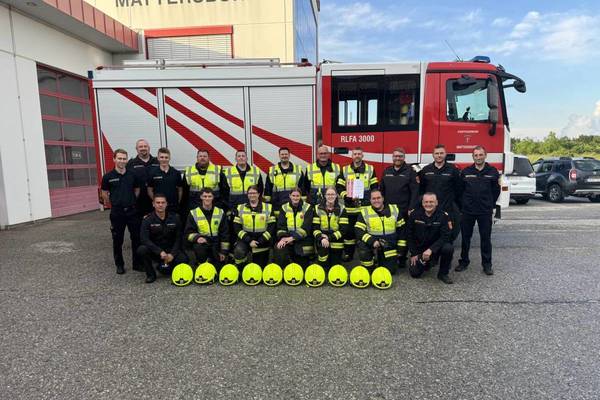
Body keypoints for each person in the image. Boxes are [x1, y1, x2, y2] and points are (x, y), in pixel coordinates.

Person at [456, 146, 501, 275]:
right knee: (465, 238)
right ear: (473, 157)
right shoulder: (466, 171)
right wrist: (463, 205)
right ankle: (464, 262)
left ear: (485, 155)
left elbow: (496, 190)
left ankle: (487, 265)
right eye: (476, 155)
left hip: (484, 211)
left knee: (485, 238)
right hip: (468, 211)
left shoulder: (492, 171)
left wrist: (489, 203)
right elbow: (460, 190)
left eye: (481, 155)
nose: (478, 157)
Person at [101, 149, 142, 274]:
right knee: (117, 240)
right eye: (119, 158)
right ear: (114, 159)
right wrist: (114, 203)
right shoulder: (108, 177)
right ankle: (119, 265)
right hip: (117, 213)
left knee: (136, 238)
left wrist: (131, 200)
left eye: (124, 159)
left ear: (127, 160)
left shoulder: (132, 175)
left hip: (132, 211)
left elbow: (137, 190)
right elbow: (104, 193)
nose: (122, 161)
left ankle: (137, 264)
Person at [337, 147, 378, 261]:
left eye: (359, 154)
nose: (357, 156)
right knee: (349, 233)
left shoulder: (370, 169)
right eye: (355, 154)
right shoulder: (345, 169)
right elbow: (339, 186)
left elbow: (374, 186)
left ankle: (369, 254)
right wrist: (346, 196)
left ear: (362, 155)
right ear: (352, 156)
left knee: (367, 232)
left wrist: (371, 200)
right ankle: (349, 254)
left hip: (365, 209)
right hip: (350, 208)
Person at [379, 147, 419, 267]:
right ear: (392, 157)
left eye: (400, 156)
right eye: (396, 156)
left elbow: (415, 191)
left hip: (404, 210)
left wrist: (411, 208)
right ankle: (391, 256)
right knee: (391, 233)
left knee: (403, 235)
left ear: (404, 157)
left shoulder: (410, 171)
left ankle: (402, 258)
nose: (398, 158)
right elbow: (382, 190)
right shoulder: (387, 171)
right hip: (389, 210)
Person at [355, 189, 406, 274]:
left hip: (389, 243)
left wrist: (401, 248)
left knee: (390, 271)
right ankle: (370, 266)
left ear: (383, 198)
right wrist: (371, 241)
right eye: (373, 198)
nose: (376, 200)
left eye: (378, 198)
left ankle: (380, 260)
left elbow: (402, 230)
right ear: (370, 200)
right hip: (373, 242)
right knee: (362, 245)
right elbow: (358, 230)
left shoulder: (394, 209)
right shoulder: (365, 211)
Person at [137, 194, 186, 283]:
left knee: (183, 259)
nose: (160, 205)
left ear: (166, 204)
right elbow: (144, 239)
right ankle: (151, 275)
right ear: (153, 204)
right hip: (156, 251)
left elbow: (179, 238)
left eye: (163, 202)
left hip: (170, 249)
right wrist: (159, 251)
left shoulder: (175, 218)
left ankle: (167, 267)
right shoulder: (147, 219)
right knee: (142, 250)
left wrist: (172, 254)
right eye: (158, 202)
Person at [407, 193, 454, 284]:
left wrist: (431, 249)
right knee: (415, 273)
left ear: (436, 203)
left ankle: (443, 274)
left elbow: (445, 236)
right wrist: (414, 253)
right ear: (422, 203)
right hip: (420, 249)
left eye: (431, 202)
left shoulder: (443, 216)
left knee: (448, 248)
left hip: (435, 249)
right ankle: (427, 263)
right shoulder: (414, 215)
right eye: (426, 202)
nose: (428, 204)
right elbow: (409, 235)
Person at [418, 144, 462, 241]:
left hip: (447, 208)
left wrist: (456, 206)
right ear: (433, 155)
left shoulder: (453, 169)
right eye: (437, 153)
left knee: (448, 237)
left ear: (445, 154)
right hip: (430, 209)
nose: (439, 155)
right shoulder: (426, 170)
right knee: (430, 236)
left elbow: (459, 189)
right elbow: (421, 189)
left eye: (441, 153)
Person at [184, 188, 230, 269]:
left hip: (216, 244)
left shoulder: (220, 212)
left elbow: (225, 233)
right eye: (205, 196)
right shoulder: (193, 213)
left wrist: (223, 252)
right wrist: (197, 238)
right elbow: (188, 233)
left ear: (213, 197)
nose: (207, 198)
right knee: (199, 248)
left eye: (209, 196)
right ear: (201, 197)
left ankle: (214, 260)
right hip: (203, 243)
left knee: (218, 268)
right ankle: (201, 264)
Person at [232, 185, 276, 267]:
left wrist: (261, 240)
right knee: (239, 251)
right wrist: (249, 240)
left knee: (259, 266)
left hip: (262, 241)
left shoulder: (268, 207)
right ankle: (241, 268)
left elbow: (271, 227)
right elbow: (236, 227)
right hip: (245, 240)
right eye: (250, 193)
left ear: (259, 194)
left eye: (254, 193)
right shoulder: (240, 208)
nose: (252, 195)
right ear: (247, 195)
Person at [273, 187, 314, 267]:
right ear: (290, 196)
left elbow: (306, 228)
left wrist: (292, 238)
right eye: (293, 195)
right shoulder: (284, 207)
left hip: (303, 240)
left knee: (302, 267)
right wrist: (283, 238)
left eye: (297, 196)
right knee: (279, 248)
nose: (295, 198)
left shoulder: (308, 207)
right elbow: (281, 226)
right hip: (288, 240)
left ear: (301, 196)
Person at [312, 186, 349, 269]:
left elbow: (343, 229)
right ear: (325, 196)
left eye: (332, 194)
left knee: (335, 266)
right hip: (322, 241)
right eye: (328, 194)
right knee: (323, 265)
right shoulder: (317, 208)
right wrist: (321, 238)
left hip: (336, 241)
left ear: (336, 196)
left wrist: (329, 238)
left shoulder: (342, 209)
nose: (330, 196)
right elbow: (315, 228)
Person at [264, 147, 304, 216]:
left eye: (286, 154)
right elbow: (268, 189)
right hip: (277, 204)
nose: (284, 156)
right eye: (282, 154)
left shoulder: (297, 170)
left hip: (293, 204)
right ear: (279, 155)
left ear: (289, 155)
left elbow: (302, 188)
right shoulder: (272, 171)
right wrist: (268, 204)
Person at [126, 139, 158, 217]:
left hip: (155, 202)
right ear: (136, 149)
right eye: (140, 146)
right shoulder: (130, 164)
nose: (143, 148)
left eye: (145, 146)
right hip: (138, 203)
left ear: (149, 148)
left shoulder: (157, 161)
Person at [147, 147, 183, 214]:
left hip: (173, 207)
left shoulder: (176, 173)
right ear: (158, 158)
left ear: (169, 158)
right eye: (162, 157)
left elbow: (180, 190)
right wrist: (157, 202)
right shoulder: (152, 173)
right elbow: (149, 190)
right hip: (159, 207)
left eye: (166, 157)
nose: (164, 159)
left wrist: (177, 202)